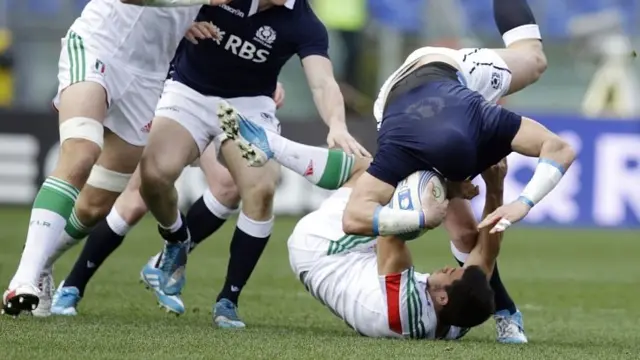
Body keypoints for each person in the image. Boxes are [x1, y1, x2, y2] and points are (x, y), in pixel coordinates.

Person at [60, 0, 367, 329]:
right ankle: (154, 252)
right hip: (186, 91)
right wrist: (181, 24)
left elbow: (323, 82)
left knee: (259, 189)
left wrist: (336, 124)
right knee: (150, 180)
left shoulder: (304, 23)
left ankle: (227, 301)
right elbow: (156, 12)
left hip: (247, 106)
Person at [217, 101, 525, 343]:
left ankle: (270, 145)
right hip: (343, 258)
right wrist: (496, 187)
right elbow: (485, 254)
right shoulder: (459, 318)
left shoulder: (407, 313)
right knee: (459, 228)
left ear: (442, 298)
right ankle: (270, 146)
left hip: (323, 248)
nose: (448, 267)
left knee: (376, 176)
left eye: (451, 274)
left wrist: (440, 197)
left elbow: (391, 234)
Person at [0, 0, 216, 317]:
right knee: (81, 153)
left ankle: (41, 261)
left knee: (94, 207)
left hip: (148, 77)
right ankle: (23, 280)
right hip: (98, 45)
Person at [50, 83, 285, 318]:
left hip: (219, 95)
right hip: (173, 92)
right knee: (136, 199)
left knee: (228, 186)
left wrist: (264, 78)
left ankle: (165, 262)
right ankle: (71, 285)